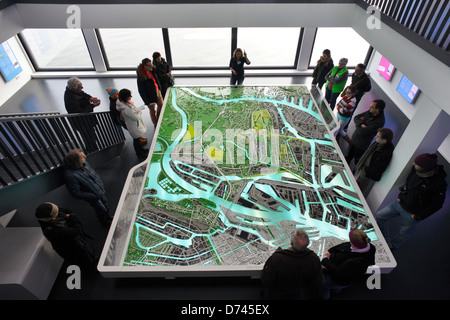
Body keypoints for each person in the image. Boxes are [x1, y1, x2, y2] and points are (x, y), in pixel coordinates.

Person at [376, 153, 447, 249]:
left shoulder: (439, 183)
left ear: (425, 169)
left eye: (416, 164)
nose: (413, 164)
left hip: (413, 214)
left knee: (403, 234)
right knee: (380, 216)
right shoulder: (415, 170)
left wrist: (418, 216)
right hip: (400, 203)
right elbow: (408, 182)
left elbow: (437, 204)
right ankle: (385, 240)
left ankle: (392, 246)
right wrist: (400, 196)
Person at [35, 202, 98, 272]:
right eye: (56, 212)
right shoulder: (51, 231)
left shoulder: (49, 215)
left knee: (86, 252)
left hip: (74, 241)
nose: (59, 211)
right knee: (83, 260)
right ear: (52, 218)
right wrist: (72, 218)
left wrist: (69, 216)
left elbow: (66, 210)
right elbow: (76, 231)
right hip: (70, 248)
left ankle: (92, 261)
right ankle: (91, 270)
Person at [261, 229, 323, 300]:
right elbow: (318, 281)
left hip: (277, 294)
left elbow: (266, 280)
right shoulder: (313, 258)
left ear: (291, 243)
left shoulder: (277, 258)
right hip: (301, 293)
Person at [319, 229, 376, 300]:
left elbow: (338, 272)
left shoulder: (353, 261)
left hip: (337, 279)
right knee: (337, 288)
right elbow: (346, 245)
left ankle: (325, 297)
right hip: (348, 280)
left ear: (353, 242)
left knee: (324, 286)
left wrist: (324, 261)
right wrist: (330, 250)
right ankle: (336, 292)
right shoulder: (370, 247)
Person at [63, 149, 113, 227]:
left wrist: (100, 185)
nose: (85, 157)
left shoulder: (84, 164)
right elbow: (75, 193)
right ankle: (104, 221)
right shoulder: (70, 175)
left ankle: (107, 217)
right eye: (82, 157)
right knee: (100, 209)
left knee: (105, 204)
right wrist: (93, 196)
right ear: (76, 160)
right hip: (94, 196)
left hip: (99, 191)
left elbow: (93, 175)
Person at [64, 77, 101, 153]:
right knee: (88, 138)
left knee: (92, 136)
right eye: (80, 87)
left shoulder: (73, 91)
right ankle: (92, 152)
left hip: (86, 121)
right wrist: (93, 105)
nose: (82, 88)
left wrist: (90, 98)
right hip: (81, 122)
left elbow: (83, 93)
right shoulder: (70, 99)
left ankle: (94, 150)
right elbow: (80, 112)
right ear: (74, 89)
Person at [345, 99, 386, 167]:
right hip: (354, 140)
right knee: (348, 156)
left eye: (372, 107)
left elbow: (363, 132)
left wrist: (357, 125)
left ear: (377, 110)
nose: (369, 107)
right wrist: (361, 124)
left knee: (357, 163)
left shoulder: (379, 122)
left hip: (361, 145)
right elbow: (356, 117)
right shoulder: (370, 112)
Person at [354, 128, 394, 194]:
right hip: (361, 168)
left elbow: (379, 168)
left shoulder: (386, 153)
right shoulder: (378, 142)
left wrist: (365, 170)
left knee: (359, 192)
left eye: (378, 136)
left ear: (384, 140)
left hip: (366, 174)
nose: (376, 137)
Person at [115, 88, 149, 159]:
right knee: (136, 140)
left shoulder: (123, 104)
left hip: (133, 125)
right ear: (125, 97)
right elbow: (135, 117)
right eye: (129, 95)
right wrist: (139, 111)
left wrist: (137, 110)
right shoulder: (126, 109)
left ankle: (141, 150)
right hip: (133, 126)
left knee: (137, 138)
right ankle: (139, 153)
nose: (131, 96)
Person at [342, 63, 372, 132]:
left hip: (356, 96)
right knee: (344, 105)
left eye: (357, 70)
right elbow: (352, 82)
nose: (355, 71)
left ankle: (345, 126)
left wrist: (360, 91)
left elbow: (368, 89)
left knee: (350, 111)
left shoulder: (366, 80)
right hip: (350, 93)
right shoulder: (354, 74)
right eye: (355, 69)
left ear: (362, 71)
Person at [137, 58, 163, 126]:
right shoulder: (141, 76)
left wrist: (159, 88)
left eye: (151, 64)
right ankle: (155, 123)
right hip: (150, 96)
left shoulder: (152, 70)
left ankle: (159, 118)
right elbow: (141, 90)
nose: (151, 66)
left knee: (161, 105)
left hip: (157, 91)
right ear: (144, 66)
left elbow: (156, 79)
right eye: (149, 65)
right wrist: (147, 102)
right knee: (152, 110)